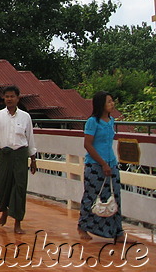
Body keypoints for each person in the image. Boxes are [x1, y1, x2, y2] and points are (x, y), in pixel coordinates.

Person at [0, 85, 37, 234]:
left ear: (18, 98)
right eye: (7, 96)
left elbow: (30, 138)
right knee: (1, 186)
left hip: (20, 155)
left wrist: (33, 159)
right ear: (3, 98)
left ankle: (18, 222)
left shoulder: (25, 117)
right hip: (4, 155)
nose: (9, 99)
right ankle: (4, 210)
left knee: (19, 187)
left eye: (12, 96)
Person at [77, 91, 123, 241]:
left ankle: (117, 231)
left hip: (112, 163)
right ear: (100, 104)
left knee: (114, 196)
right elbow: (88, 145)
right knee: (91, 196)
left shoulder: (111, 121)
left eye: (112, 101)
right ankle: (83, 226)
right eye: (109, 101)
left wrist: (110, 163)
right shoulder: (92, 122)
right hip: (95, 166)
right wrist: (103, 164)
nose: (112, 104)